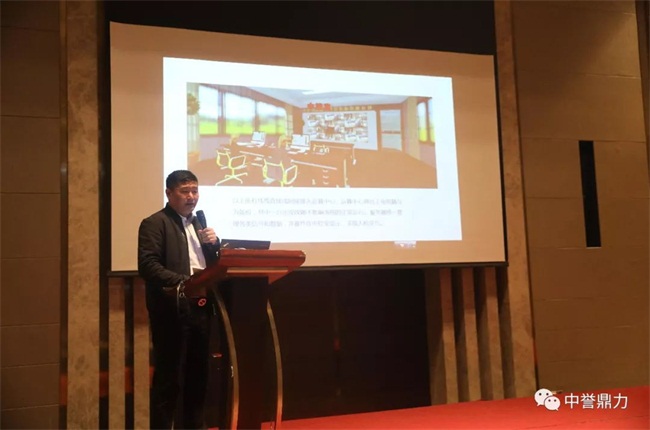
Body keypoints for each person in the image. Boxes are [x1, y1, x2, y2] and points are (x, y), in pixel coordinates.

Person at [138, 170, 220, 429]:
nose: (191, 197)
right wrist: (185, 282)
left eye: (195, 191)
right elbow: (148, 266)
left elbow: (212, 266)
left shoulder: (199, 225)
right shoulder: (155, 223)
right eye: (185, 192)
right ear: (169, 193)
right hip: (172, 311)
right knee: (169, 379)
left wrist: (215, 245)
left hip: (201, 309)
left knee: (199, 377)